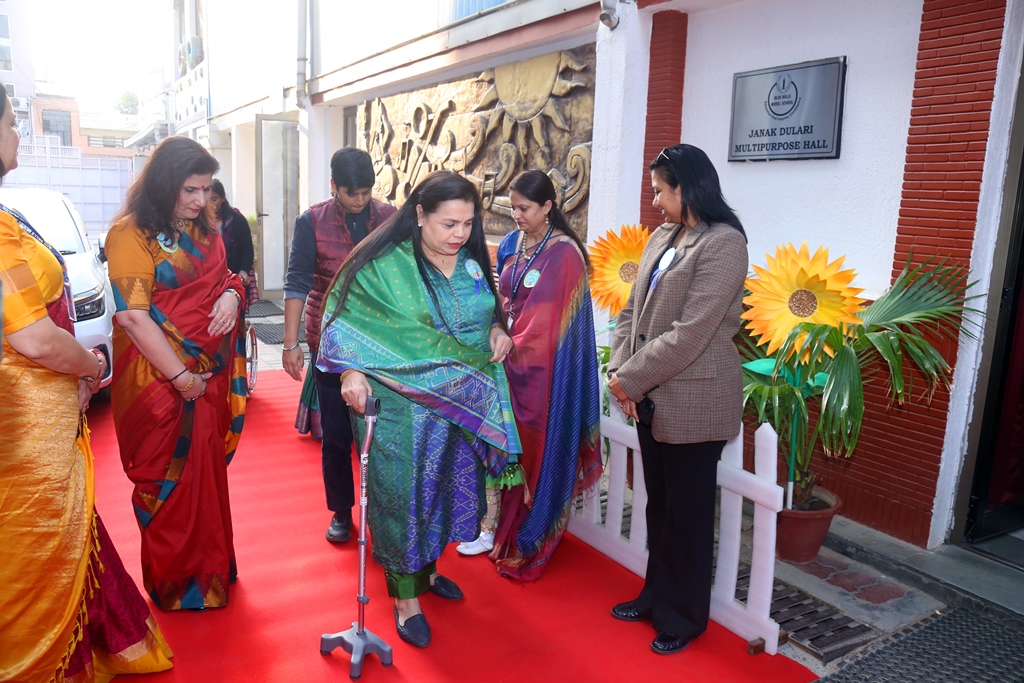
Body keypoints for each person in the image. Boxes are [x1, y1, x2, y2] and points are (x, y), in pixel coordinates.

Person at [0, 86, 174, 680]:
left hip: (38, 403)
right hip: (23, 420)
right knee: (38, 540)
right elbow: (34, 338)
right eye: (12, 122)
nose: (18, 134)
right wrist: (90, 365)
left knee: (65, 532)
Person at [317, 170, 521, 648]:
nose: (460, 234)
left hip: (459, 408)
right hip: (401, 412)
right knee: (404, 498)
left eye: (468, 224)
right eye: (449, 224)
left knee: (445, 489)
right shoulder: (383, 266)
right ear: (419, 215)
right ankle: (405, 599)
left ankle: (427, 573)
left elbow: (485, 314)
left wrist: (498, 331)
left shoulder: (470, 264)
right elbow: (341, 323)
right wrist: (350, 373)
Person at [607, 143, 747, 655]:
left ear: (687, 187)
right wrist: (619, 371)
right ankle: (656, 597)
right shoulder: (663, 236)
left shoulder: (724, 243)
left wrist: (629, 380)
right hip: (650, 392)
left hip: (694, 399)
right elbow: (631, 313)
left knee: (686, 516)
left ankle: (684, 617)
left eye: (661, 191)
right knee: (660, 508)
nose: (655, 201)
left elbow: (691, 333)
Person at [106, 136, 248, 611]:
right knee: (165, 481)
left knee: (204, 477)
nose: (200, 200)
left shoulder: (206, 229)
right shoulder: (130, 234)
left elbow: (226, 277)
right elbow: (133, 317)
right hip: (156, 383)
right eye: (190, 189)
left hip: (207, 377)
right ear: (164, 183)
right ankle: (176, 585)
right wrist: (182, 380)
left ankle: (210, 574)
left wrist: (231, 295)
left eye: (205, 189)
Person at [464, 170, 601, 581]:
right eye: (513, 207)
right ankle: (493, 526)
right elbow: (500, 297)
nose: (517, 215)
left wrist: (514, 349)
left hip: (543, 373)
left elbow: (550, 326)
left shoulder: (565, 255)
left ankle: (528, 531)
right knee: (499, 446)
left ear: (548, 207)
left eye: (525, 208)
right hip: (505, 359)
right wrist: (495, 331)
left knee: (532, 450)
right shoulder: (511, 243)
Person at [282, 147, 396, 541]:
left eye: (366, 192)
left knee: (383, 435)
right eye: (352, 193)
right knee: (335, 435)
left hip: (380, 343)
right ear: (334, 186)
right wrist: (291, 343)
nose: (360, 201)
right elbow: (297, 281)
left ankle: (384, 517)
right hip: (330, 343)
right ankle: (342, 512)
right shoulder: (311, 221)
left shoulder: (389, 218)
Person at [210, 179, 256, 308]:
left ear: (223, 198)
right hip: (208, 280)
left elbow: (247, 249)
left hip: (232, 276)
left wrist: (243, 271)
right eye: (207, 200)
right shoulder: (198, 221)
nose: (210, 204)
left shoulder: (236, 219)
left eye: (214, 199)